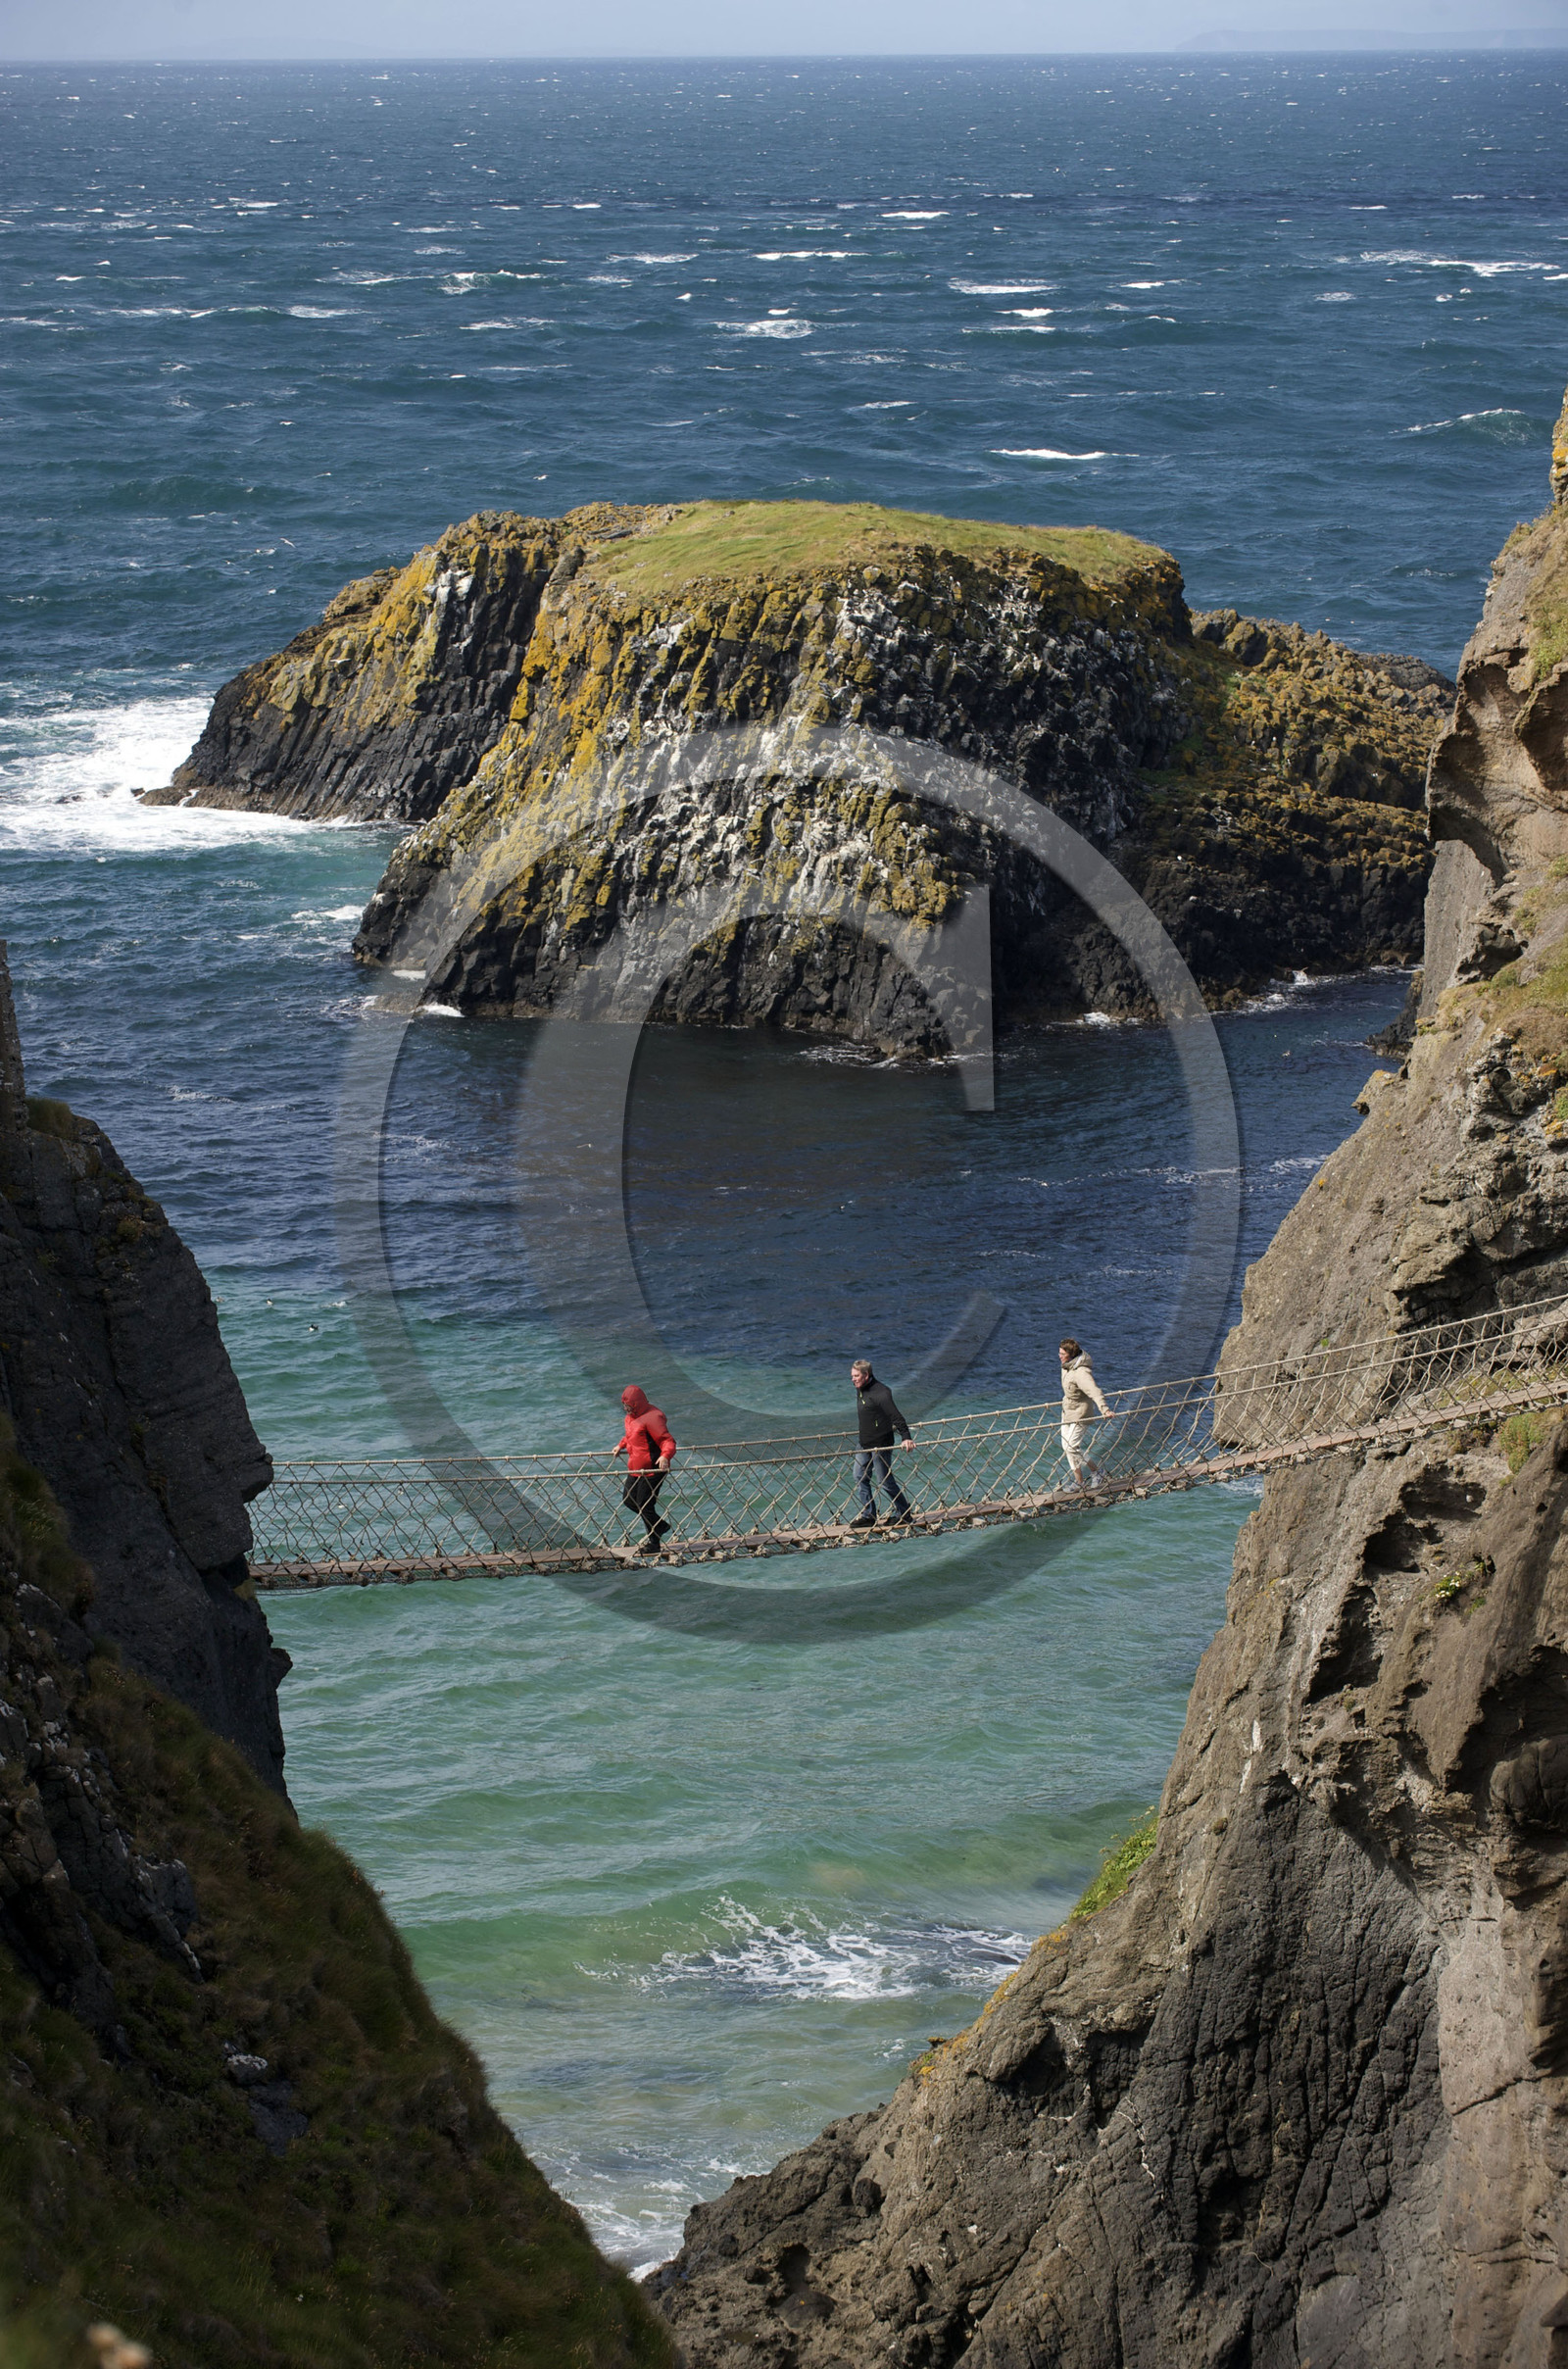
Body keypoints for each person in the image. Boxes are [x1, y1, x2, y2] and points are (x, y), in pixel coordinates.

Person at [848, 1358, 914, 1526]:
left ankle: (904, 1513)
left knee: (884, 1481)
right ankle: (869, 1516)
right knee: (859, 1476)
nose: (853, 1379)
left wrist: (906, 1437)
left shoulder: (881, 1393)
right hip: (864, 1443)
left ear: (866, 1375)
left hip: (881, 1445)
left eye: (856, 1376)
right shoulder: (861, 1387)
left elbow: (896, 1416)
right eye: (852, 1376)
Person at [616, 1384, 675, 1553]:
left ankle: (654, 1545)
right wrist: (620, 1445)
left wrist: (665, 1455)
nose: (625, 1409)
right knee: (629, 1500)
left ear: (636, 1404)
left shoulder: (653, 1417)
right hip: (636, 1467)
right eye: (624, 1406)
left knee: (645, 1504)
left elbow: (667, 1440)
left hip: (654, 1468)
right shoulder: (630, 1418)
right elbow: (632, 1436)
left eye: (628, 1406)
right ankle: (660, 1525)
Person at [1058, 1338, 1111, 1491]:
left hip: (1080, 1413)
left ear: (1071, 1354)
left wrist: (1104, 1409)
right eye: (1059, 1352)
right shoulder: (1066, 1366)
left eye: (1062, 1353)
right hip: (1067, 1410)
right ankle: (1080, 1482)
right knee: (1066, 1447)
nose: (1059, 1356)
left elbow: (1094, 1391)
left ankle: (1097, 1471)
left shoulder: (1081, 1372)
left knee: (1072, 1447)